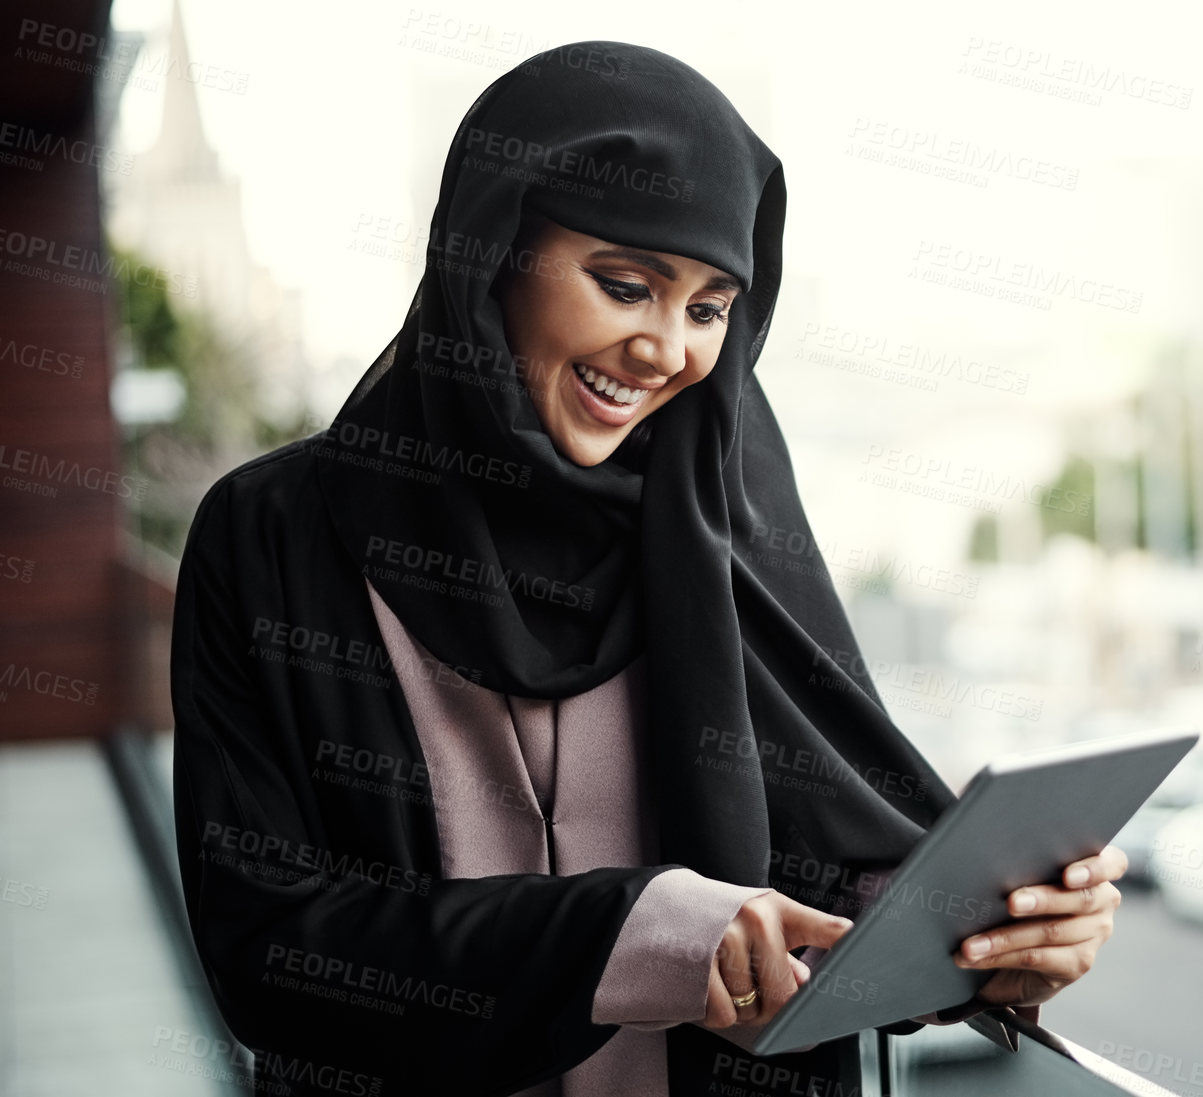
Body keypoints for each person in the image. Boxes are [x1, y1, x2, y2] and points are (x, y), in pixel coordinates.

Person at [170, 41, 1125, 1097]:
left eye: (710, 308)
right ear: (491, 252)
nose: (667, 350)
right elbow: (268, 943)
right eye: (626, 285)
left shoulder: (720, 517)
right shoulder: (270, 536)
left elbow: (827, 854)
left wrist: (989, 935)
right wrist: (630, 935)